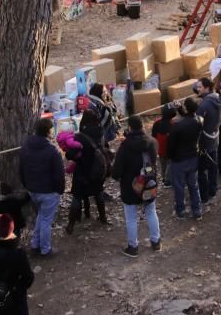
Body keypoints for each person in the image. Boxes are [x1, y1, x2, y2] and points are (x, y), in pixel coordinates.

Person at [112, 115, 161, 257]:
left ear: (130, 128)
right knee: (151, 212)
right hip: (148, 184)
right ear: (143, 126)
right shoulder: (153, 142)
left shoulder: (125, 146)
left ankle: (133, 247)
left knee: (131, 218)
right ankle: (156, 241)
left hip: (129, 186)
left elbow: (116, 172)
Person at [19, 118, 65, 258]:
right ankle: (45, 249)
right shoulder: (52, 150)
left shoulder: (26, 145)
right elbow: (59, 174)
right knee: (46, 220)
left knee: (41, 217)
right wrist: (60, 190)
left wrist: (26, 185)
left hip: (33, 189)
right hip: (48, 191)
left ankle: (35, 244)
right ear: (48, 131)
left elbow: (21, 168)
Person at [59, 119, 109, 232]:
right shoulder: (100, 136)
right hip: (96, 171)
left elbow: (69, 155)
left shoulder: (80, 138)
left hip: (81, 172)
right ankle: (103, 217)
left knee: (77, 197)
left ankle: (70, 225)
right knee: (98, 194)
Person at [166, 97, 203, 220]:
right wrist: (181, 109)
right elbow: (190, 117)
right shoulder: (199, 121)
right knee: (193, 185)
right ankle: (197, 210)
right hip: (193, 156)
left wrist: (170, 157)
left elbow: (170, 146)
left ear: (187, 108)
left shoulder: (177, 126)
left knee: (179, 186)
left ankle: (181, 210)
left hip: (179, 160)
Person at [195, 78, 221, 207]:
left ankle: (204, 196)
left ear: (207, 88)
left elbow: (196, 124)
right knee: (213, 165)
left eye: (200, 87)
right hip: (215, 136)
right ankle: (213, 190)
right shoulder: (220, 99)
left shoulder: (204, 105)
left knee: (201, 170)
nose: (198, 89)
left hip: (204, 140)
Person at [151, 104, 177, 188]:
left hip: (160, 149)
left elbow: (154, 136)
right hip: (171, 150)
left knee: (163, 164)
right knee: (171, 164)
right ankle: (168, 180)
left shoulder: (156, 123)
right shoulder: (174, 124)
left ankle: (163, 178)